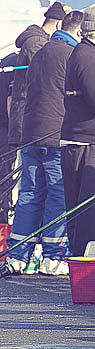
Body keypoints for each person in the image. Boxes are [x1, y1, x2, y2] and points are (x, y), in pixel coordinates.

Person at [5, 9, 83, 275]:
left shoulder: (39, 52)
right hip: (55, 134)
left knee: (29, 194)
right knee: (57, 195)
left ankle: (17, 256)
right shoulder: (71, 55)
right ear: (80, 31)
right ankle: (54, 256)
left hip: (30, 133)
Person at [60, 5, 95, 257]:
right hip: (88, 143)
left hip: (78, 140)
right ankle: (86, 270)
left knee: (79, 211)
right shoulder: (91, 58)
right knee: (90, 212)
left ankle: (80, 265)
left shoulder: (82, 53)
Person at [8, 1, 65, 148]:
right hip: (29, 119)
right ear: (59, 25)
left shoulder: (36, 41)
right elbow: (48, 75)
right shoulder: (37, 44)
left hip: (29, 118)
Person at [0, 51, 18, 222]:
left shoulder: (6, 61)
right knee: (5, 180)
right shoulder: (19, 62)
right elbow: (10, 100)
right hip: (7, 128)